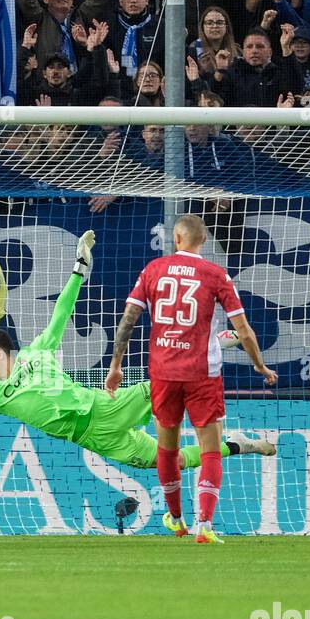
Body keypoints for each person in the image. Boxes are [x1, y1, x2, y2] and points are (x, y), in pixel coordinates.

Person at [0, 231, 276, 479]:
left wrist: (79, 268)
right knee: (165, 463)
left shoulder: (36, 353)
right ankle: (239, 444)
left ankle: (215, 342)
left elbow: (62, 311)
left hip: (103, 409)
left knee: (169, 382)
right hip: (92, 437)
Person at [106, 215, 278, 543]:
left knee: (168, 451)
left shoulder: (153, 270)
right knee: (210, 450)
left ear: (177, 239)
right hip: (202, 375)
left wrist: (116, 365)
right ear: (203, 241)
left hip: (163, 373)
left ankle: (175, 518)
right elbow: (242, 329)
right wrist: (260, 365)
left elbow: (128, 320)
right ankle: (205, 526)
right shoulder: (216, 275)